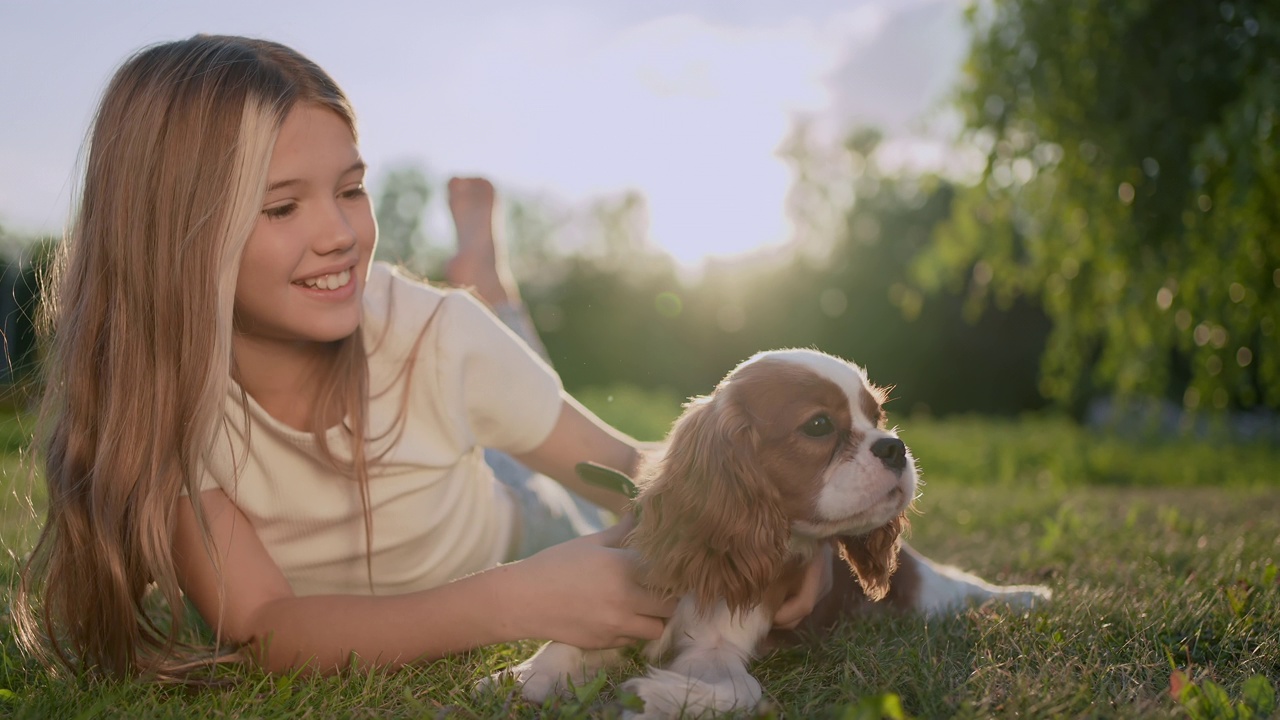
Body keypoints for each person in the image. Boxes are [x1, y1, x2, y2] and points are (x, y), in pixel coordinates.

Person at [14, 34, 826, 679]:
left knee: (533, 430)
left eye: (352, 189)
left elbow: (629, 473)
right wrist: (512, 605)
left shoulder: (434, 335)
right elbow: (265, 630)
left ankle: (490, 288)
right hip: (505, 563)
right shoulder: (171, 404)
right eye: (284, 205)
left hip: (514, 524)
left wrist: (782, 534)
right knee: (487, 355)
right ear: (172, 240)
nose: (339, 231)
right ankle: (491, 283)